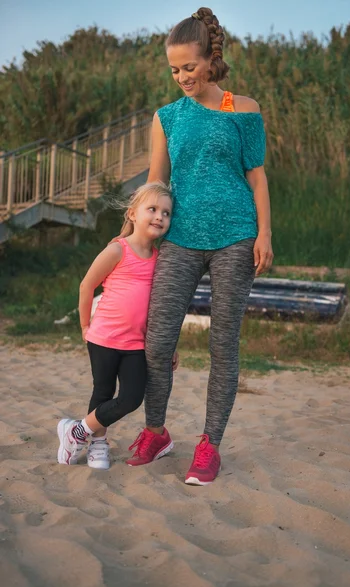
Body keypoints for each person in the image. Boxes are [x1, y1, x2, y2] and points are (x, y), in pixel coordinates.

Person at [126, 6, 273, 485]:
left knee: (222, 345)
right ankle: (156, 432)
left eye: (189, 66)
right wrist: (139, 234)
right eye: (174, 69)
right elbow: (156, 182)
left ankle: (209, 446)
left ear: (211, 58)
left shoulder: (241, 108)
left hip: (236, 237)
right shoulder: (166, 117)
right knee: (157, 341)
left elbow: (257, 175)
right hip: (181, 239)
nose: (182, 77)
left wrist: (265, 234)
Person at [57, 182, 176, 469]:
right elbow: (87, 286)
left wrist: (171, 344)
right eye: (152, 209)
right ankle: (97, 444)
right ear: (133, 214)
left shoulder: (161, 259)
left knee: (132, 398)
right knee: (102, 392)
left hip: (136, 344)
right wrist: (85, 326)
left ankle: (76, 431)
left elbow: (162, 309)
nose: (160, 216)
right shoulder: (117, 250)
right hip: (103, 339)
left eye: (166, 213)